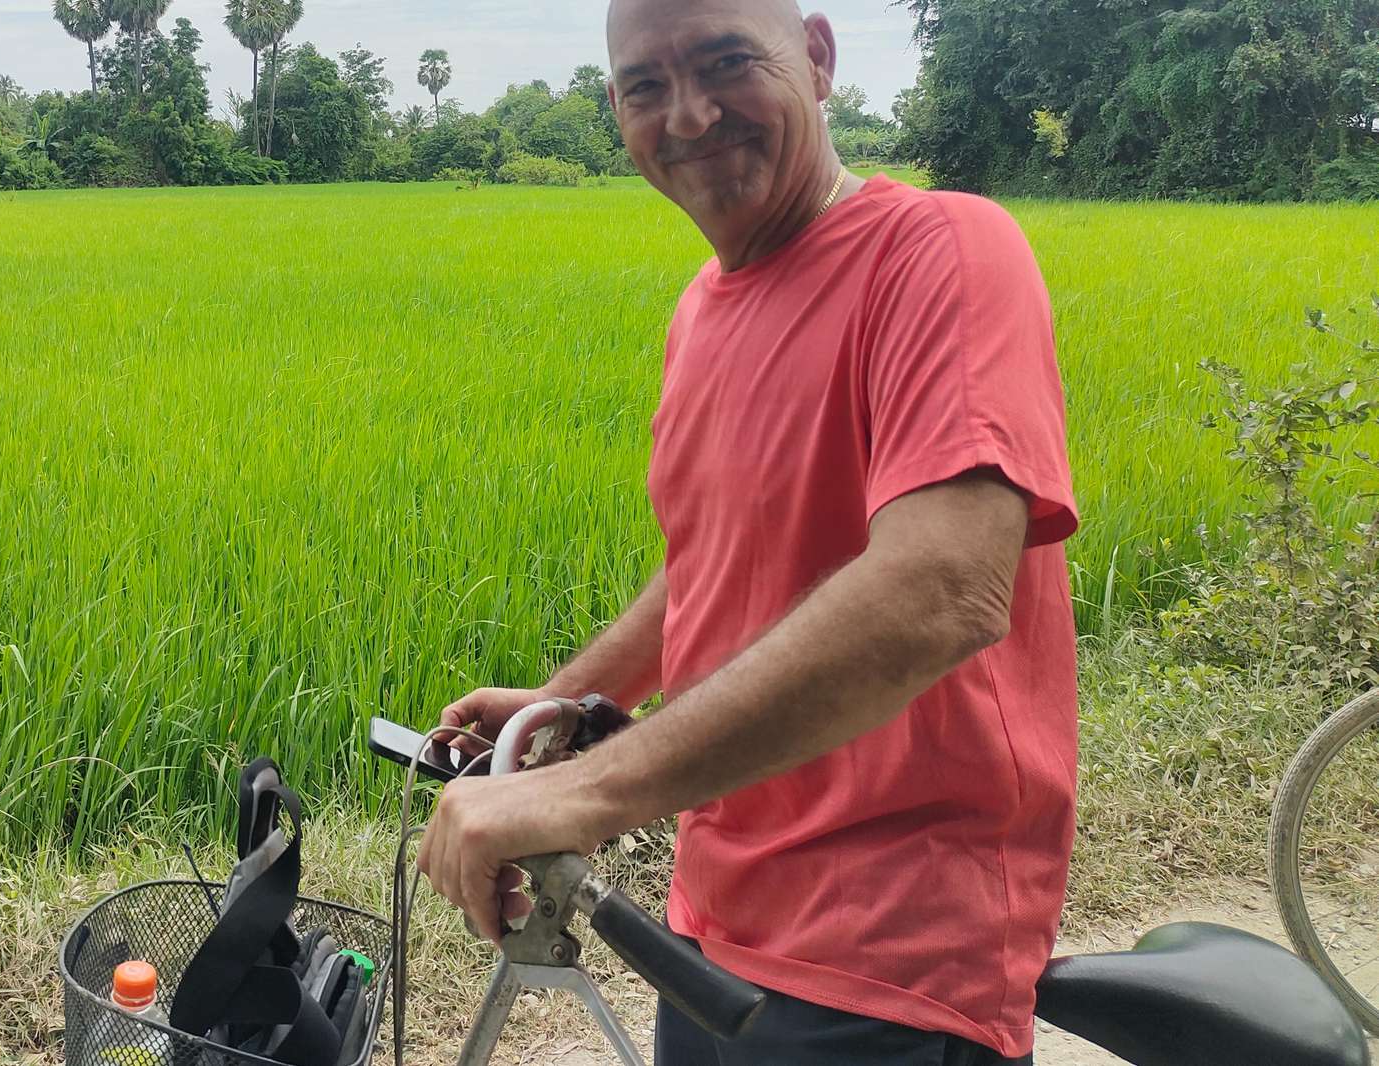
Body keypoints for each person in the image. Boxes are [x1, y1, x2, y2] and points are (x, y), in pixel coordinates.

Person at [413, 0, 1079, 1063]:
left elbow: (942, 590)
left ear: (815, 58)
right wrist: (578, 702)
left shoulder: (940, 251)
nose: (689, 115)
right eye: (645, 87)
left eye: (726, 62)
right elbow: (717, 556)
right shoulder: (704, 308)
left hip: (890, 955)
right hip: (713, 911)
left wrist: (578, 795)